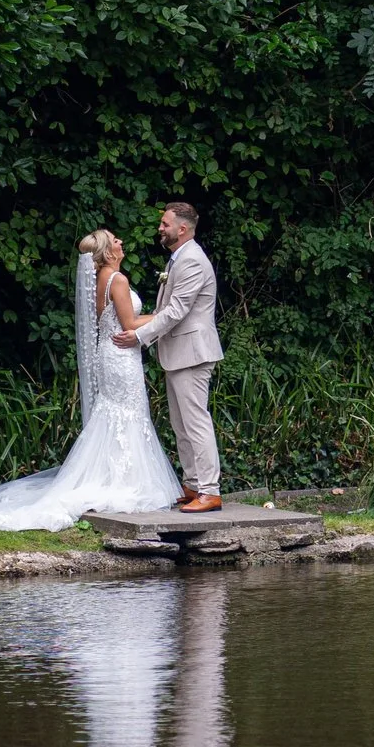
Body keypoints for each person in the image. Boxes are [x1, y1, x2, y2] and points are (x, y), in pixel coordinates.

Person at [0, 229, 180, 531]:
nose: (121, 242)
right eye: (115, 240)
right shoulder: (117, 280)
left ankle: (114, 476)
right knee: (127, 414)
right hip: (121, 357)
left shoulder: (99, 281)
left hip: (111, 353)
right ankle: (124, 482)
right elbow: (130, 323)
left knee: (115, 415)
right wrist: (165, 314)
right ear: (108, 252)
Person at [113, 201, 225, 513]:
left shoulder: (191, 261)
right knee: (181, 423)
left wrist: (139, 335)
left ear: (182, 228)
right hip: (179, 353)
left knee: (195, 421)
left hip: (192, 353)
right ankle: (192, 484)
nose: (160, 228)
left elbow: (176, 311)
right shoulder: (179, 258)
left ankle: (210, 491)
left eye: (165, 224)